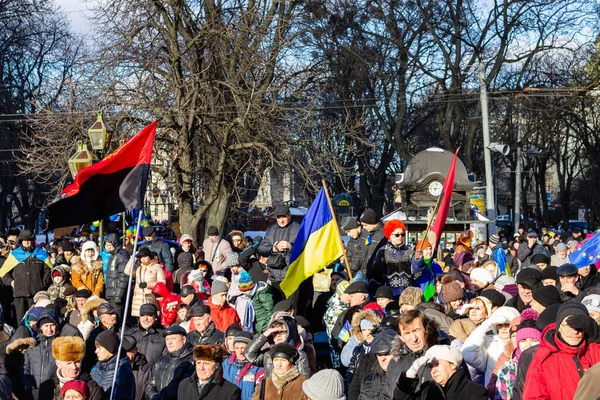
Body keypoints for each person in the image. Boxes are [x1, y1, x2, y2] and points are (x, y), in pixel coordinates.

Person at [523, 300, 600, 400]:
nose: (574, 331)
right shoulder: (544, 359)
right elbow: (534, 396)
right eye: (568, 326)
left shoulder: (595, 349)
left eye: (579, 327)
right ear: (559, 327)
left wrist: (597, 333)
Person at [387, 309, 448, 400]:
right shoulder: (395, 362)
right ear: (401, 337)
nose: (413, 338)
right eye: (407, 333)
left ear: (426, 330)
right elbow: (387, 395)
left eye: (416, 330)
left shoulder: (445, 356)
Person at [461, 306, 520, 387]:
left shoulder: (523, 343)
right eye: (500, 325)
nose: (503, 328)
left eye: (507, 324)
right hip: (494, 392)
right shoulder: (489, 343)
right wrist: (485, 326)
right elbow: (468, 355)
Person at [1, 230, 52, 322]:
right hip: (20, 294)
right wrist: (11, 282)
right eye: (24, 240)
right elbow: (3, 272)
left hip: (36, 294)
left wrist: (42, 284)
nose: (27, 242)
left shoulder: (41, 254)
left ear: (33, 241)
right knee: (21, 322)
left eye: (29, 240)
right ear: (21, 241)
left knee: (35, 320)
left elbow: (48, 271)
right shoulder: (14, 255)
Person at [244, 315, 311, 378]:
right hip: (270, 389)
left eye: (282, 332)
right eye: (274, 333)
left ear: (290, 333)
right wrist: (264, 335)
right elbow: (249, 354)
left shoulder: (300, 355)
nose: (278, 335)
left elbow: (304, 380)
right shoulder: (268, 354)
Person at [38, 336, 102, 400]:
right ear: (58, 364)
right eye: (68, 363)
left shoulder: (92, 388)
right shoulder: (46, 387)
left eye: (77, 362)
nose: (74, 367)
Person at [145, 326, 195, 400]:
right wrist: (154, 396)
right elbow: (150, 384)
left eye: (173, 338)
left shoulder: (192, 361)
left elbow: (186, 389)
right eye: (167, 339)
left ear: (183, 339)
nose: (169, 342)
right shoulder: (160, 361)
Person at [257, 204, 301, 287]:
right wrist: (273, 248)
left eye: (283, 217)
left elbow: (306, 248)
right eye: (278, 217)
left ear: (289, 216)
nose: (281, 220)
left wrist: (290, 246)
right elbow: (261, 248)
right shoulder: (271, 229)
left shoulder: (298, 228)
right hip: (274, 276)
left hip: (292, 275)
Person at [370, 219, 414, 297]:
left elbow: (415, 274)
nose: (400, 237)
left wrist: (418, 261)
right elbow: (375, 274)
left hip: (407, 294)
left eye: (402, 234)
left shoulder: (409, 251)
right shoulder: (383, 251)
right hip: (389, 293)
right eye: (397, 235)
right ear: (389, 235)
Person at [23, 309, 61, 397]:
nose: (49, 329)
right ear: (40, 327)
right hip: (33, 393)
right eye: (46, 326)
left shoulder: (60, 344)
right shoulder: (33, 345)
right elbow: (25, 368)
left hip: (53, 392)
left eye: (52, 325)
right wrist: (30, 388)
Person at [90, 330, 135, 400]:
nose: (96, 351)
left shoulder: (122, 371)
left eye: (99, 348)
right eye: (96, 348)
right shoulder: (96, 367)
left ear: (109, 349)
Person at [222, 331, 264, 400]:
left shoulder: (258, 367)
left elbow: (259, 393)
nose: (240, 351)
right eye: (237, 348)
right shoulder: (226, 364)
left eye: (243, 348)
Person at [126, 247, 166, 317]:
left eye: (145, 256)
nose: (143, 258)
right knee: (139, 319)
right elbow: (127, 271)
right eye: (141, 257)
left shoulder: (157, 267)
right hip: (138, 299)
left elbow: (162, 283)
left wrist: (148, 285)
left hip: (150, 297)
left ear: (149, 256)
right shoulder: (138, 267)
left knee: (150, 316)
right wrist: (133, 259)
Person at [356, 329, 395, 400]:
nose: (383, 358)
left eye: (387, 354)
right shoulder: (369, 380)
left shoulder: (407, 376)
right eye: (379, 355)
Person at [103, 234, 130, 315]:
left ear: (115, 244)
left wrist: (118, 294)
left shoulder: (121, 256)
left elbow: (124, 276)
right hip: (112, 292)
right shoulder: (113, 255)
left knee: (118, 317)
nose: (108, 247)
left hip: (117, 292)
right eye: (106, 245)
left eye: (109, 245)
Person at [121, 336, 151, 400]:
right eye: (123, 352)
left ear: (135, 350)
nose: (125, 354)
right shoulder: (115, 367)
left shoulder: (146, 369)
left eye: (128, 351)